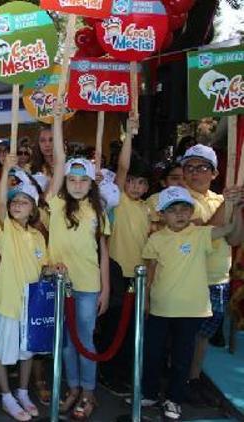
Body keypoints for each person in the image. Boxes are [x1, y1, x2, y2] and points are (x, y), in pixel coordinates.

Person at [141, 186, 241, 421]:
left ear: (191, 211)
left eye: (184, 209)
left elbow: (229, 230)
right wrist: (145, 300)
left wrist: (234, 207)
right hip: (160, 308)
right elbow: (150, 271)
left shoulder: (200, 233)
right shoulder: (155, 238)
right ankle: (149, 393)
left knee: (182, 358)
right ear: (162, 215)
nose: (179, 214)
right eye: (172, 210)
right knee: (153, 353)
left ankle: (174, 399)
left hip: (191, 310)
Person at [46, 116, 110, 420]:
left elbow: (104, 253)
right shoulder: (55, 204)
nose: (76, 184)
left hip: (87, 286)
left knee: (84, 340)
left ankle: (88, 392)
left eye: (83, 180)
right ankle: (72, 387)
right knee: (66, 342)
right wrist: (57, 121)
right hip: (59, 284)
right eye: (72, 180)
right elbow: (59, 159)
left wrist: (106, 289)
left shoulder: (98, 209)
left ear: (91, 183)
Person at [0, 149, 48, 421]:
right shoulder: (5, 228)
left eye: (24, 201)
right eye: (15, 201)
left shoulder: (37, 235)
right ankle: (6, 396)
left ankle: (22, 391)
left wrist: (53, 269)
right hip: (10, 302)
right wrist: (7, 173)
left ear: (33, 208)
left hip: (31, 304)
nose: (17, 205)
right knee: (3, 350)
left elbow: (42, 267)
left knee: (27, 351)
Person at [178, 145, 243, 405]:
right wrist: (228, 203)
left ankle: (193, 380)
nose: (195, 173)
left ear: (214, 173)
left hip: (218, 278)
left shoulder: (220, 199)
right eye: (189, 167)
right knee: (185, 335)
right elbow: (201, 232)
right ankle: (177, 382)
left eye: (202, 167)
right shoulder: (179, 198)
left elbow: (234, 237)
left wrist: (236, 208)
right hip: (190, 279)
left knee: (203, 336)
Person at [101, 138, 152, 392]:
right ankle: (108, 374)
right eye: (131, 180)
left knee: (132, 330)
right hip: (116, 273)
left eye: (141, 182)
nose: (135, 186)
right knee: (113, 328)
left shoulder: (149, 208)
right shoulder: (117, 199)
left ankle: (125, 373)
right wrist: (130, 135)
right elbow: (122, 168)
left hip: (139, 277)